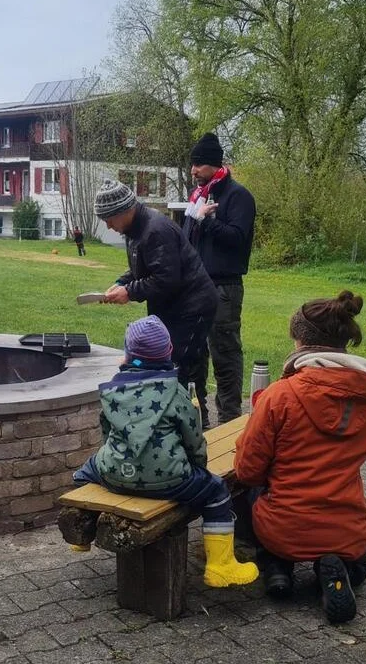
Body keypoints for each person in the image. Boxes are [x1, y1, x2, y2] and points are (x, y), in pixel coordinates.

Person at [71, 315, 258, 588]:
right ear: (169, 351)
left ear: (127, 353)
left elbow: (106, 432)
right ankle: (220, 566)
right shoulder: (176, 392)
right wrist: (198, 467)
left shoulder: (113, 389)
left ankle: (81, 535)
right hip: (170, 480)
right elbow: (193, 440)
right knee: (217, 492)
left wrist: (114, 461)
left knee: (83, 470)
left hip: (114, 474)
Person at [233, 291, 366, 624]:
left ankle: (275, 566)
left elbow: (248, 469)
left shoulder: (280, 395)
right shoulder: (365, 397)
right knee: (356, 546)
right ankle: (344, 570)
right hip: (348, 528)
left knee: (247, 488)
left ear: (300, 342)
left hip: (282, 527)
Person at [94, 179, 218, 427]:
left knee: (179, 366)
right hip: (172, 307)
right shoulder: (134, 230)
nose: (108, 226)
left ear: (124, 210)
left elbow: (166, 279)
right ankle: (190, 420)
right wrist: (122, 282)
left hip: (192, 307)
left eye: (109, 219)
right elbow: (144, 268)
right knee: (180, 364)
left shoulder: (155, 230)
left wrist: (129, 292)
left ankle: (184, 425)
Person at [182, 132, 256, 427]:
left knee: (225, 356)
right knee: (194, 358)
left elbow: (237, 239)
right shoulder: (197, 197)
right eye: (192, 164)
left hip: (223, 287)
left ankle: (230, 423)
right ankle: (198, 422)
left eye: (199, 164)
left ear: (215, 164)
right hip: (194, 288)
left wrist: (209, 221)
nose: (193, 170)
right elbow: (187, 239)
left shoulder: (238, 196)